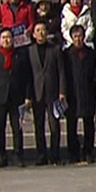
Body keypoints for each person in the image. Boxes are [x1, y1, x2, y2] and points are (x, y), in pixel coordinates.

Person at [0, 28, 32, 167]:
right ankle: (0, 156)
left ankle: (18, 155)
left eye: (9, 37)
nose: (6, 40)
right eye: (3, 38)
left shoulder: (20, 57)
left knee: (17, 128)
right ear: (0, 40)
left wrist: (28, 96)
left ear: (13, 40)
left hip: (17, 98)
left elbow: (27, 78)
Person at [27, 21, 68, 165]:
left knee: (54, 125)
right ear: (33, 34)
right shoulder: (30, 51)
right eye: (38, 30)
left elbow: (61, 71)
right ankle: (41, 155)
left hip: (53, 92)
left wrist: (62, 91)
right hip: (37, 92)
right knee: (39, 126)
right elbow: (28, 75)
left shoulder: (55, 49)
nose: (41, 33)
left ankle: (55, 154)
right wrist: (28, 95)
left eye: (43, 30)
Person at [63, 23, 96, 163]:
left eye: (80, 36)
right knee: (71, 124)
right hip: (72, 93)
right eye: (75, 36)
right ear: (71, 38)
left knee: (89, 124)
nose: (78, 39)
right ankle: (73, 152)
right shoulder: (66, 54)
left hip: (88, 91)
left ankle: (88, 151)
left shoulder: (91, 53)